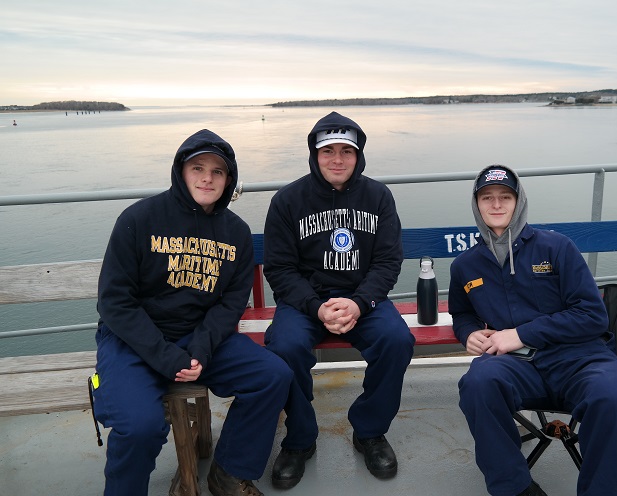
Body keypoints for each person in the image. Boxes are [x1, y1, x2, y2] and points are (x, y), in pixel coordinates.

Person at [93, 129, 293, 496]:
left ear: (229, 179)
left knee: (273, 375)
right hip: (133, 339)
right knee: (139, 426)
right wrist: (168, 357)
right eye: (197, 167)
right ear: (180, 171)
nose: (207, 178)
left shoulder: (236, 232)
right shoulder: (138, 219)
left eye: (218, 172)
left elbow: (231, 302)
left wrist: (200, 349)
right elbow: (115, 302)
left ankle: (229, 472)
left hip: (199, 335)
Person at [448, 165, 617, 496]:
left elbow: (593, 315)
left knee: (614, 398)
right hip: (515, 363)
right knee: (478, 383)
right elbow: (462, 311)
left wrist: (521, 334)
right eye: (487, 198)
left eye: (505, 197)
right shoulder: (465, 265)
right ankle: (516, 488)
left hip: (580, 356)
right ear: (476, 205)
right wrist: (467, 333)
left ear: (519, 201)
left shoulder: (556, 248)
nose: (496, 205)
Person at [263, 111, 415, 489]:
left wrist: (360, 303)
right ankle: (299, 440)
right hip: (306, 302)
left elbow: (387, 261)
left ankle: (369, 431)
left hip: (363, 299)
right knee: (284, 347)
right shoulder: (287, 200)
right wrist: (317, 307)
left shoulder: (378, 196)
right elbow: (280, 269)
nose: (337, 159)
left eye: (346, 151)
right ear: (314, 155)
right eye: (327, 150)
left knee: (397, 341)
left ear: (358, 154)